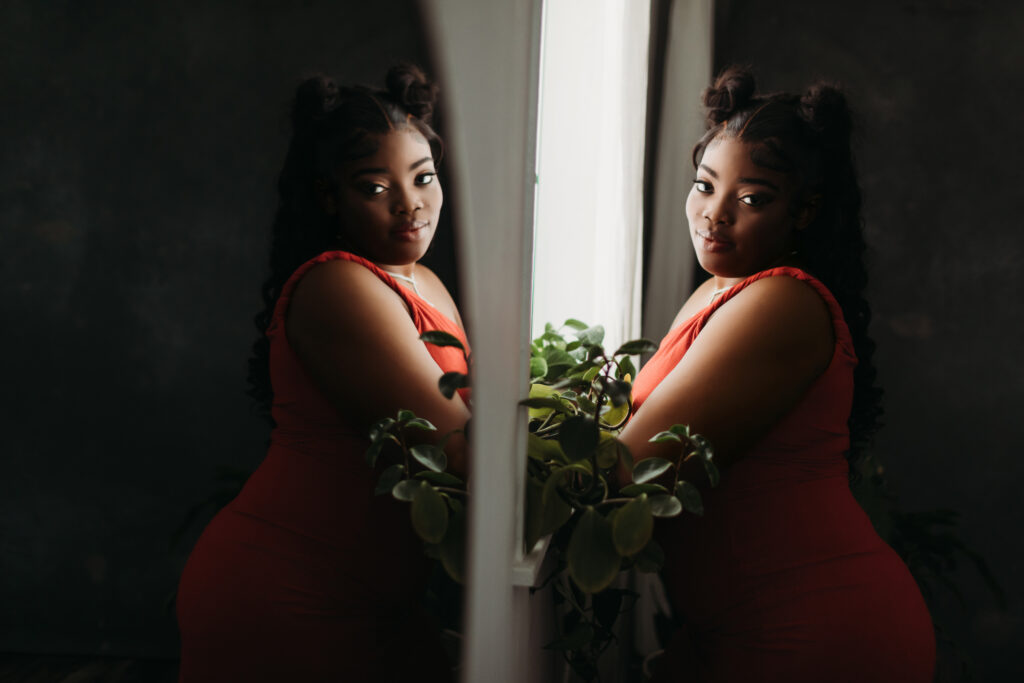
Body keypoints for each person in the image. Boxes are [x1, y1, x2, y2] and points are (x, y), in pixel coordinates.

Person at [619, 67, 935, 682]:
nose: (714, 215)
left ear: (803, 210)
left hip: (815, 630)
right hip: (740, 627)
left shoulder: (780, 302)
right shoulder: (720, 290)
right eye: (704, 186)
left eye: (752, 198)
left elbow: (635, 467)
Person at [176, 64, 469, 682]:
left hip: (377, 601)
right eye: (375, 187)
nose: (410, 204)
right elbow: (454, 451)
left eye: (424, 177)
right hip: (288, 591)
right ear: (330, 196)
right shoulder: (340, 285)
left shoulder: (424, 280)